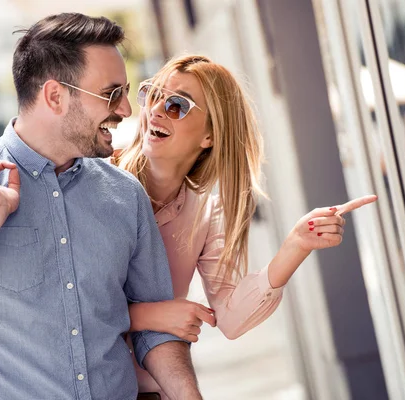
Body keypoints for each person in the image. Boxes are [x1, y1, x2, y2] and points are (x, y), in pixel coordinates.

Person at [0, 14, 203, 400]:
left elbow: (156, 328)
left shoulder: (125, 195)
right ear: (55, 96)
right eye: (110, 93)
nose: (126, 111)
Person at [113, 54, 378, 397]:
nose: (157, 109)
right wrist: (149, 316)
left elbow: (231, 319)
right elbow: (65, 300)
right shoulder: (98, 179)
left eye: (177, 104)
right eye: (153, 94)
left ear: (209, 135)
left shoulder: (207, 212)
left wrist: (296, 246)